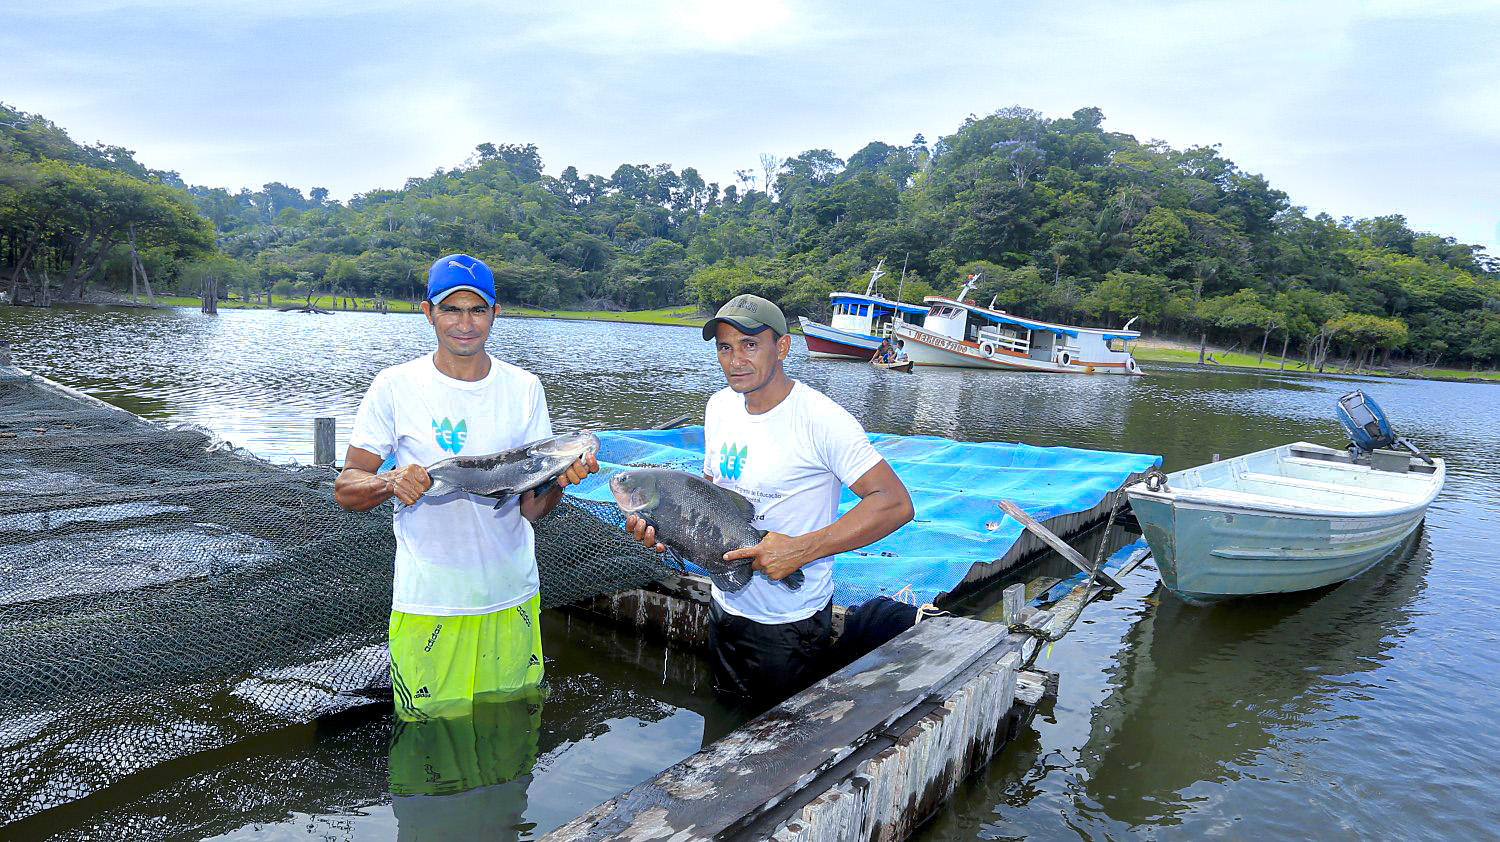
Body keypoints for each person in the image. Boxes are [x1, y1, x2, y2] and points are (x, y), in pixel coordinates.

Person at [334, 253, 597, 720]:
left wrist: (561, 480)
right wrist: (389, 482)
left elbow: (529, 510)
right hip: (431, 601)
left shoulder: (524, 388)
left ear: (496, 313)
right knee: (429, 742)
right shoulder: (395, 385)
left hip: (511, 594)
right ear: (428, 312)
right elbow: (346, 487)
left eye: (477, 309)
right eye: (451, 309)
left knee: (511, 732)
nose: (465, 323)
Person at [626, 294, 914, 705]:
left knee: (780, 750)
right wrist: (668, 532)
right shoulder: (720, 405)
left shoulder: (822, 420)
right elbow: (710, 496)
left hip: (789, 622)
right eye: (725, 347)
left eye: (750, 345)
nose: (735, 360)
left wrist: (800, 549)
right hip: (724, 605)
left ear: (781, 347)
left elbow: (894, 503)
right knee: (723, 726)